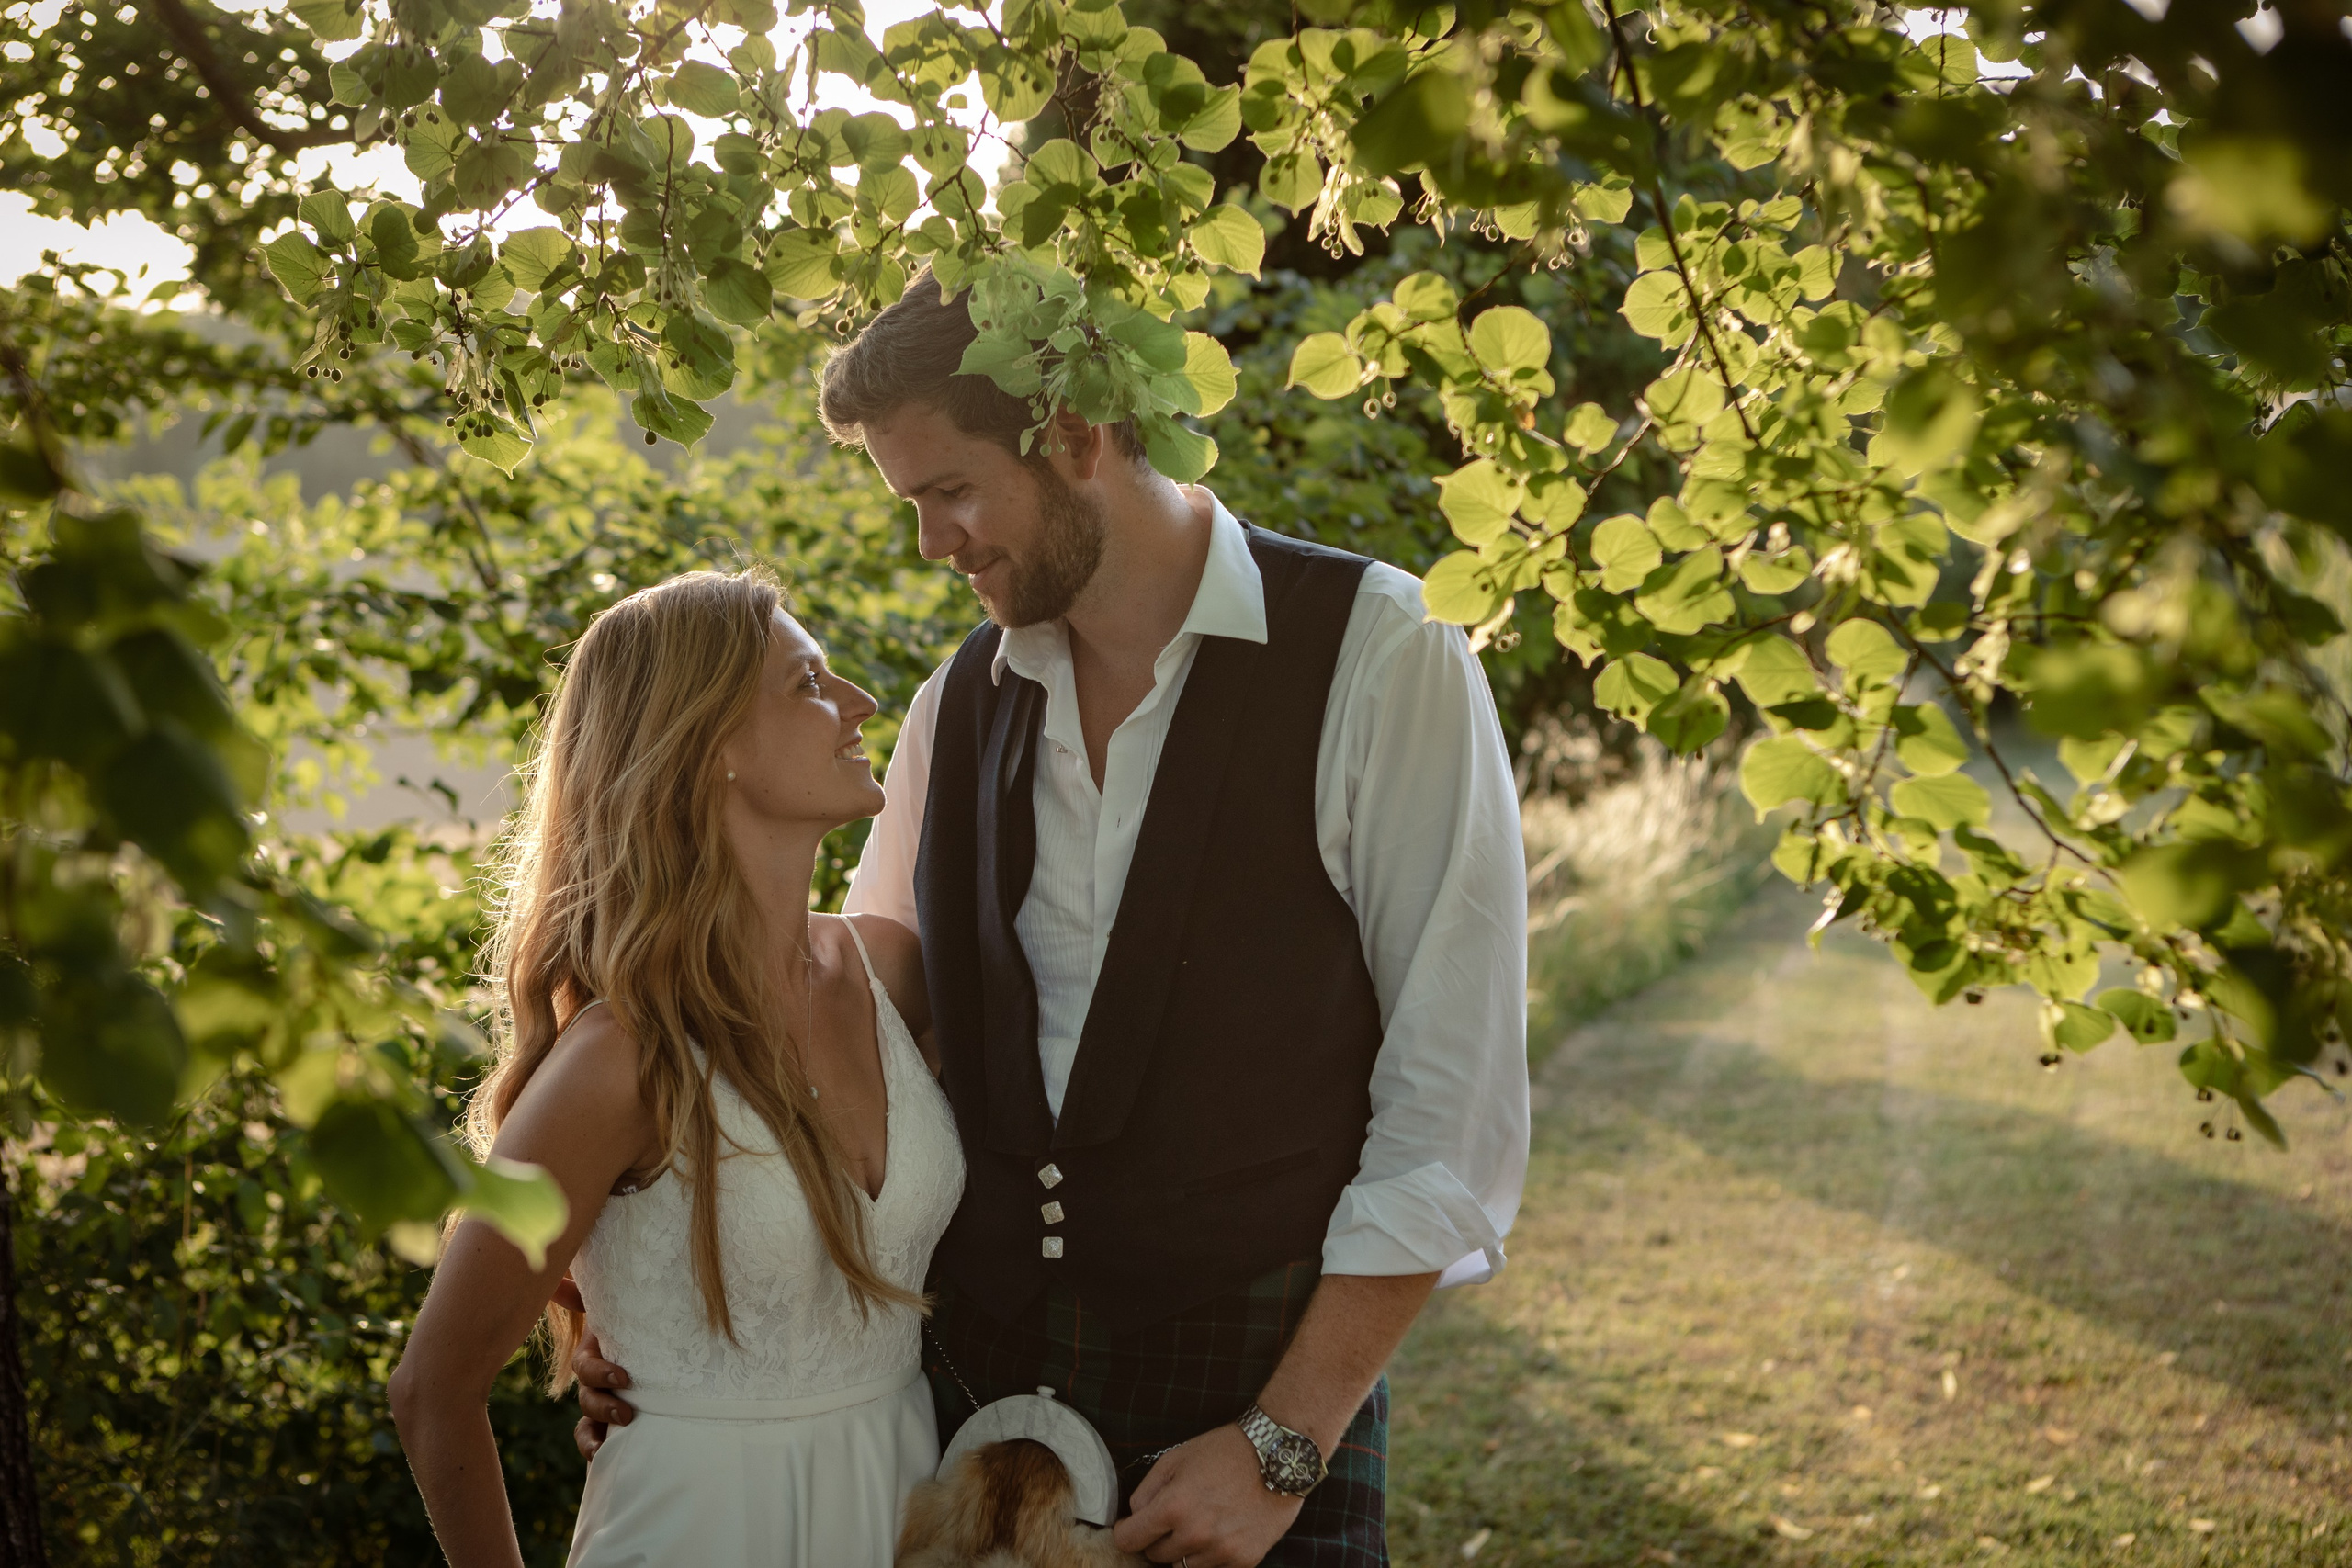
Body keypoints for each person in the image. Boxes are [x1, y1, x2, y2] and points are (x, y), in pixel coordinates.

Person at [573, 273, 1532, 1568]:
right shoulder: (953, 707)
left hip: (1246, 1404)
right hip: (975, 1409)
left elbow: (1449, 1108)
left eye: (949, 491)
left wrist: (1282, 1441)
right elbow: (822, 1020)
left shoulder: (1382, 653)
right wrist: (613, 1287)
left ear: (1078, 433)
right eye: (910, 504)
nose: (933, 543)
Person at [388, 569, 964, 1568]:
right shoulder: (625, 1057)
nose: (861, 705)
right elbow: (434, 1388)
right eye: (809, 683)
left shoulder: (896, 976)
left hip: (902, 1510)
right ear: (712, 749)